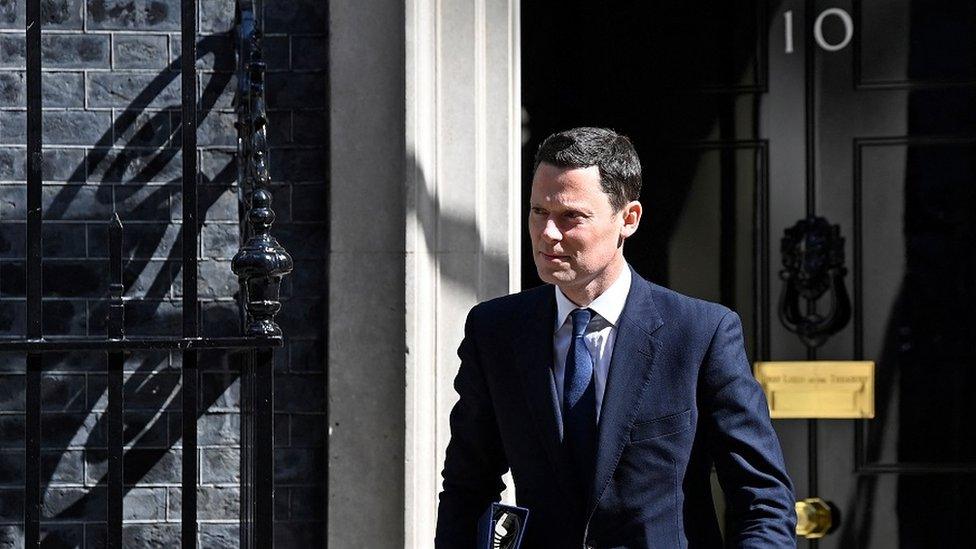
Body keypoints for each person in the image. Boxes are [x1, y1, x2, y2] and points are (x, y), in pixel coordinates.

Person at [435, 127, 796, 548]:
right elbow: (467, 485)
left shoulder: (699, 332)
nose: (548, 233)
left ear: (628, 219)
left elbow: (763, 500)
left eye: (571, 216)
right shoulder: (494, 330)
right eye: (538, 211)